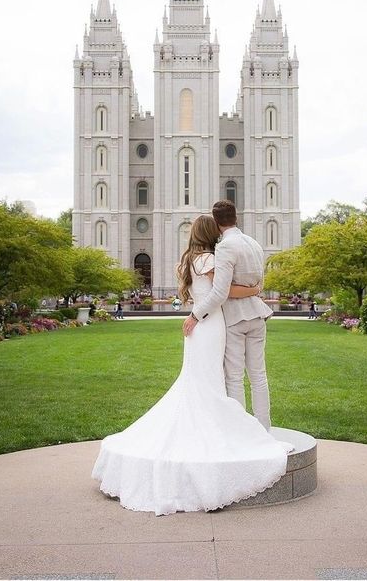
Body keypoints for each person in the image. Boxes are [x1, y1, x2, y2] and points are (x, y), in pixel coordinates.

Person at [92, 214, 292, 515]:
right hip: (210, 325)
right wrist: (251, 290)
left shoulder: (191, 259)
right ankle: (233, 430)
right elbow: (220, 292)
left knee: (206, 381)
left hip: (205, 327)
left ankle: (225, 425)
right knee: (215, 380)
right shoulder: (209, 259)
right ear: (211, 233)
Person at [183, 200, 274, 431]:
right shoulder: (253, 243)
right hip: (257, 315)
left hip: (235, 319)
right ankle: (264, 429)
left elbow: (220, 293)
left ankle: (241, 431)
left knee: (234, 378)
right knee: (258, 376)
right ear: (236, 217)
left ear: (216, 222)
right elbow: (259, 282)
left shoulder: (225, 247)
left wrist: (196, 314)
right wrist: (255, 290)